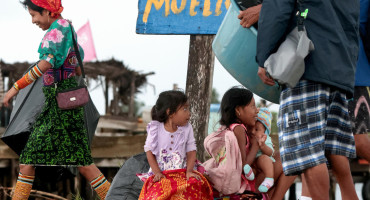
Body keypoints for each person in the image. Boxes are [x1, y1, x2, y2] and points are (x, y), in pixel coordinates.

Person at [2, 0, 110, 199]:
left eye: (35, 15)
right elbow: (77, 67)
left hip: (59, 107)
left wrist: (13, 89)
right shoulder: (68, 28)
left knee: (28, 160)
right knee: (84, 164)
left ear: (48, 11)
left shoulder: (55, 33)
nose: (34, 21)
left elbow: (44, 64)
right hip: (69, 103)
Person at [256, 0, 360, 199]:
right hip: (340, 69)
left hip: (306, 65)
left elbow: (278, 8)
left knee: (307, 153)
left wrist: (263, 57)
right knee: (334, 149)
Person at [137, 90, 213, 200]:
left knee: (196, 186)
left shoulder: (187, 128)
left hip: (184, 171)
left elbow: (191, 151)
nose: (189, 113)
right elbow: (149, 152)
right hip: (162, 173)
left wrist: (190, 171)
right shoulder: (155, 128)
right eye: (185, 109)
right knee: (158, 193)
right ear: (170, 112)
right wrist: (157, 172)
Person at [252, 108, 275, 193]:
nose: (253, 132)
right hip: (254, 163)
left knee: (264, 158)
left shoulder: (266, 139)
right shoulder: (251, 137)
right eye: (252, 128)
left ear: (265, 132)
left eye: (257, 129)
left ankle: (269, 179)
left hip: (263, 162)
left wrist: (263, 146)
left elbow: (270, 152)